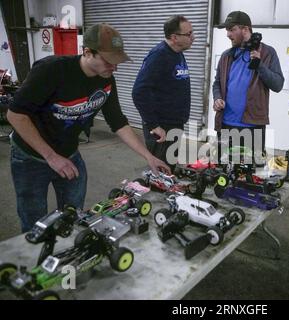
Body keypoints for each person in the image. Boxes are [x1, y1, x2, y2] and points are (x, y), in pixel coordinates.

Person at [7, 23, 170, 233]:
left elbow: (117, 122)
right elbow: (15, 115)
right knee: (34, 221)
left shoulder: (106, 79)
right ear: (87, 52)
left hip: (69, 153)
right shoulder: (52, 70)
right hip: (30, 157)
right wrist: (51, 157)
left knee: (74, 216)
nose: (114, 67)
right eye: (108, 61)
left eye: (117, 61)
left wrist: (148, 156)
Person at [213, 11, 284, 166]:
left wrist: (259, 64)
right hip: (226, 125)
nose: (228, 34)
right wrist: (217, 98)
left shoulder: (267, 53)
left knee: (251, 174)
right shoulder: (227, 56)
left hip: (253, 127)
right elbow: (217, 83)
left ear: (245, 30)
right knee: (223, 171)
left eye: (232, 29)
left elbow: (278, 84)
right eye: (227, 30)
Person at [132, 15, 194, 169]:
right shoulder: (159, 56)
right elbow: (139, 91)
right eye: (189, 34)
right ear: (174, 37)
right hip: (162, 128)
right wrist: (153, 125)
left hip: (174, 124)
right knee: (160, 171)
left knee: (168, 168)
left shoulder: (177, 53)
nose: (193, 37)